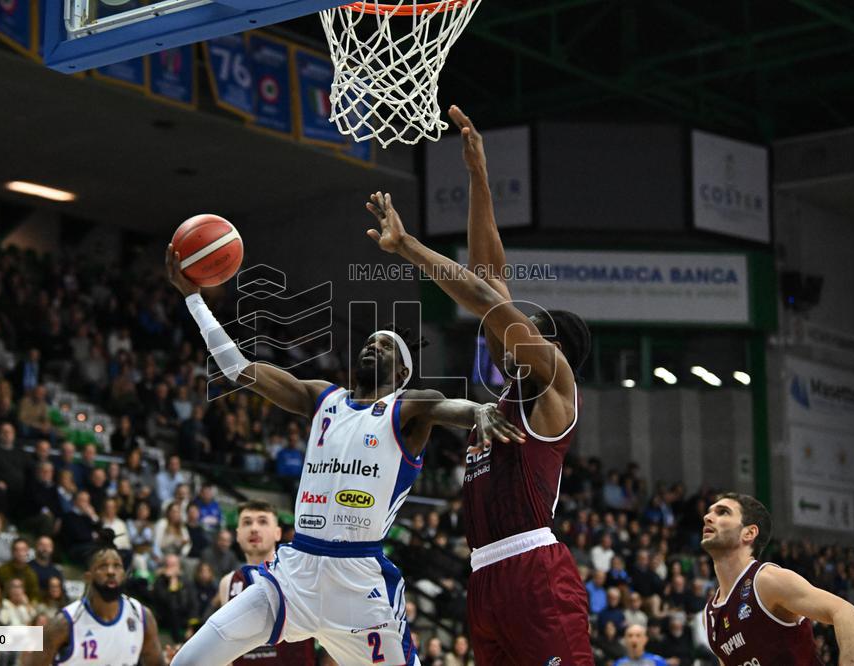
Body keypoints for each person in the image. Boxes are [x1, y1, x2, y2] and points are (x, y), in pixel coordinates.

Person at [165, 246, 521, 666]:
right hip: (294, 575)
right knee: (186, 662)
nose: (373, 347)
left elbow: (449, 407)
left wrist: (479, 411)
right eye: (370, 342)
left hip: (359, 585)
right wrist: (194, 298)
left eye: (386, 346)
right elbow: (238, 369)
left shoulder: (408, 407)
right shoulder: (322, 397)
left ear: (402, 373)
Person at [363, 105, 594, 664]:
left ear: (553, 347)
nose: (511, 329)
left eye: (528, 327)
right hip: (485, 574)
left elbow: (489, 299)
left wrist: (408, 247)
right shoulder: (513, 391)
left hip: (534, 571)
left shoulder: (555, 381)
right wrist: (478, 176)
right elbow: (491, 278)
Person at [702, 492, 854, 665]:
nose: (707, 517)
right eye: (709, 511)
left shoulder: (766, 581)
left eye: (723, 512)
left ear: (749, 533)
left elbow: (850, 616)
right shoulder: (710, 616)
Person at [25, 531, 164, 666]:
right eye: (103, 566)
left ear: (124, 574)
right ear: (88, 577)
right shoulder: (65, 623)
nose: (111, 572)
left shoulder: (141, 617)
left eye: (117, 566)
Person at [213, 501, 316, 664]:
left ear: (277, 533)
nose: (254, 528)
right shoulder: (228, 582)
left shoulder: (299, 574)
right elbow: (227, 644)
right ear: (238, 535)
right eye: (247, 522)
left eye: (262, 521)